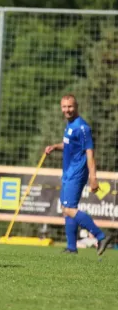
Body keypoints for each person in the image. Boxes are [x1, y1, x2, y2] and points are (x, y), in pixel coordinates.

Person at [45, 94, 113, 256]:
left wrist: (93, 177)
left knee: (68, 208)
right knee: (67, 208)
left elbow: (90, 153)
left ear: (76, 107)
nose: (67, 110)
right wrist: (55, 146)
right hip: (68, 172)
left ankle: (100, 236)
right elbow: (69, 144)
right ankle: (71, 248)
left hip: (76, 173)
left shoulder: (82, 127)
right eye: (64, 107)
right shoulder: (69, 126)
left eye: (70, 107)